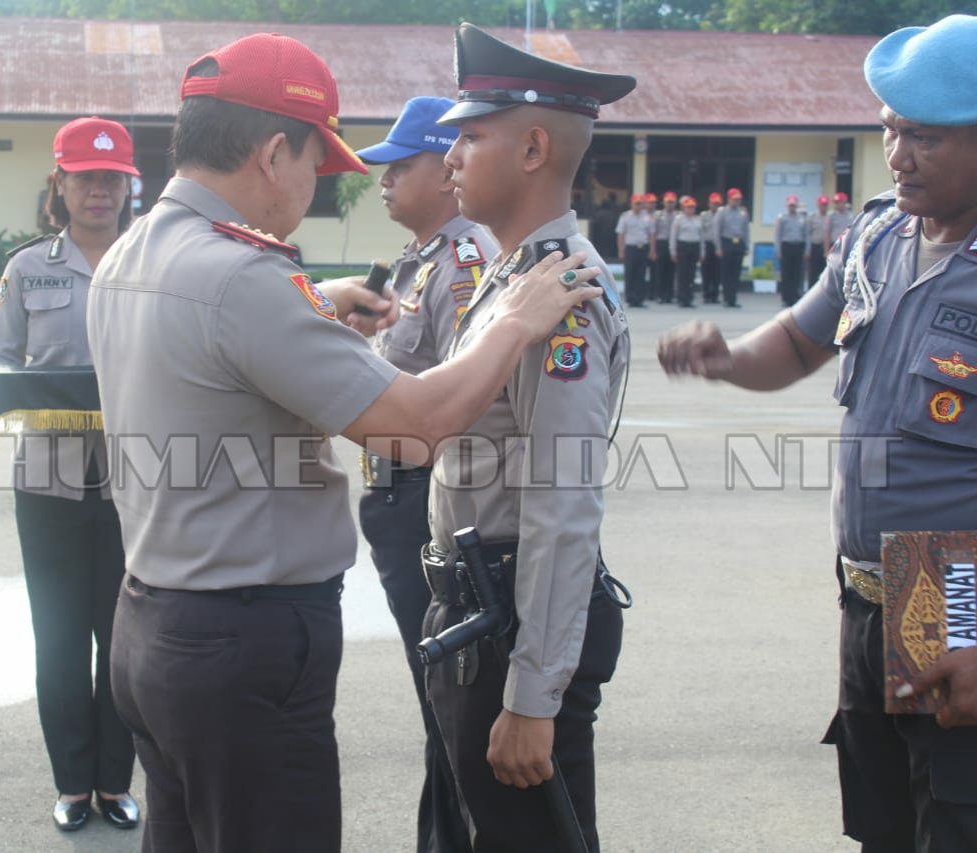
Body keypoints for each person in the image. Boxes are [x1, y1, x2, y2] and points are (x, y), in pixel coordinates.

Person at [85, 32, 606, 853]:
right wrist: (510, 325)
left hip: (151, 629)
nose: (315, 189)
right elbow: (416, 425)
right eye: (313, 167)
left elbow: (564, 496)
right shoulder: (241, 278)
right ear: (270, 152)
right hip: (242, 650)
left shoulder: (129, 254)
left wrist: (317, 304)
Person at [657, 14, 977, 851]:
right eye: (890, 131)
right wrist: (727, 359)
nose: (898, 155)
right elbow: (797, 342)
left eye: (927, 139)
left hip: (955, 590)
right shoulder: (877, 236)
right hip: (876, 591)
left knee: (956, 812)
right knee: (885, 822)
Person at [424, 22, 634, 853]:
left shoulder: (562, 296)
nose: (451, 157)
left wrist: (534, 696)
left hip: (513, 622)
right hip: (479, 611)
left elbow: (561, 501)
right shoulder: (514, 279)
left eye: (471, 136)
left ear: (534, 147)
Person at [0, 116, 141, 833]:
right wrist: (10, 388)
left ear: (129, 185)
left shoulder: (152, 261)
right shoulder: (28, 268)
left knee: (125, 637)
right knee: (57, 636)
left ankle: (116, 780)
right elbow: (1, 357)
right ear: (61, 184)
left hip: (137, 479)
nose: (99, 191)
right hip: (47, 478)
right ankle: (73, 783)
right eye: (85, 177)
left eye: (111, 178)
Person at [353, 95, 493, 853]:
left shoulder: (465, 262)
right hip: (393, 494)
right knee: (436, 699)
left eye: (399, 166)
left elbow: (460, 400)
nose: (383, 181)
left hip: (424, 498)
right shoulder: (420, 260)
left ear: (445, 170)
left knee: (449, 700)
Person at [715, 187, 750, 308]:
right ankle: (726, 298)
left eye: (739, 199)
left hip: (738, 243)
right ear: (729, 199)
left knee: (736, 273)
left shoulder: (743, 212)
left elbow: (746, 230)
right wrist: (718, 248)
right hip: (727, 243)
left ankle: (733, 299)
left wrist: (746, 246)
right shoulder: (722, 212)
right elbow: (717, 231)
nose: (737, 202)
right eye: (734, 199)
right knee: (726, 273)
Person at [615, 192, 652, 307]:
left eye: (640, 204)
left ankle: (640, 299)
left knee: (641, 274)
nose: (638, 206)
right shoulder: (625, 216)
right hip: (630, 248)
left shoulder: (647, 217)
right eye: (636, 203)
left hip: (643, 247)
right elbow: (621, 234)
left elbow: (651, 234)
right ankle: (630, 299)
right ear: (631, 204)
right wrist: (621, 250)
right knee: (630, 274)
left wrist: (651, 249)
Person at [774, 194, 807, 306]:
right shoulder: (782, 218)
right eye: (790, 205)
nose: (792, 207)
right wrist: (778, 251)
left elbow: (806, 235)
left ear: (796, 206)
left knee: (796, 274)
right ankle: (786, 298)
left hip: (798, 246)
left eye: (794, 205)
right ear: (787, 206)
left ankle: (794, 297)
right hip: (786, 246)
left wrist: (807, 250)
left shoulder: (801, 218)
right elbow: (778, 235)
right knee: (786, 274)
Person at [670, 195, 703, 308]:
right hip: (683, 246)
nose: (691, 209)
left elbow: (701, 237)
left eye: (693, 207)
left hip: (694, 246)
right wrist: (673, 251)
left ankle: (689, 298)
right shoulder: (679, 219)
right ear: (684, 208)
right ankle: (682, 298)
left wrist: (702, 252)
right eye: (688, 207)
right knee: (682, 274)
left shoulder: (698, 220)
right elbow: (673, 237)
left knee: (691, 274)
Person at [652, 191, 678, 303]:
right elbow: (653, 233)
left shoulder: (678, 216)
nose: (670, 204)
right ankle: (660, 295)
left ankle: (669, 295)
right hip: (661, 243)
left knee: (671, 271)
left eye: (672, 202)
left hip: (674, 244)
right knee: (660, 271)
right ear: (664, 203)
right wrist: (653, 249)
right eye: (668, 202)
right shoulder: (658, 215)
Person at [700, 191, 723, 303]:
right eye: (714, 203)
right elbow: (700, 232)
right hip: (707, 244)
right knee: (706, 272)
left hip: (718, 245)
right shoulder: (704, 216)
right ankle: (706, 295)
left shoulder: (722, 215)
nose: (716, 206)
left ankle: (715, 296)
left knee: (717, 272)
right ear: (709, 204)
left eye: (718, 204)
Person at [807, 193, 831, 289]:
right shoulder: (812, 218)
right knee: (812, 273)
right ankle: (810, 292)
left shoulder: (830, 217)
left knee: (824, 272)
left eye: (825, 205)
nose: (823, 207)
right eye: (822, 205)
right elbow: (808, 234)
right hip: (815, 246)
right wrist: (807, 250)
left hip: (826, 247)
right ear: (818, 205)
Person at [826, 190, 854, 256]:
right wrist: (827, 250)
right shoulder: (831, 216)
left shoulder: (852, 215)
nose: (836, 205)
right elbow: (827, 233)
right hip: (835, 244)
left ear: (844, 202)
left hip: (848, 245)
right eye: (835, 203)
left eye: (838, 202)